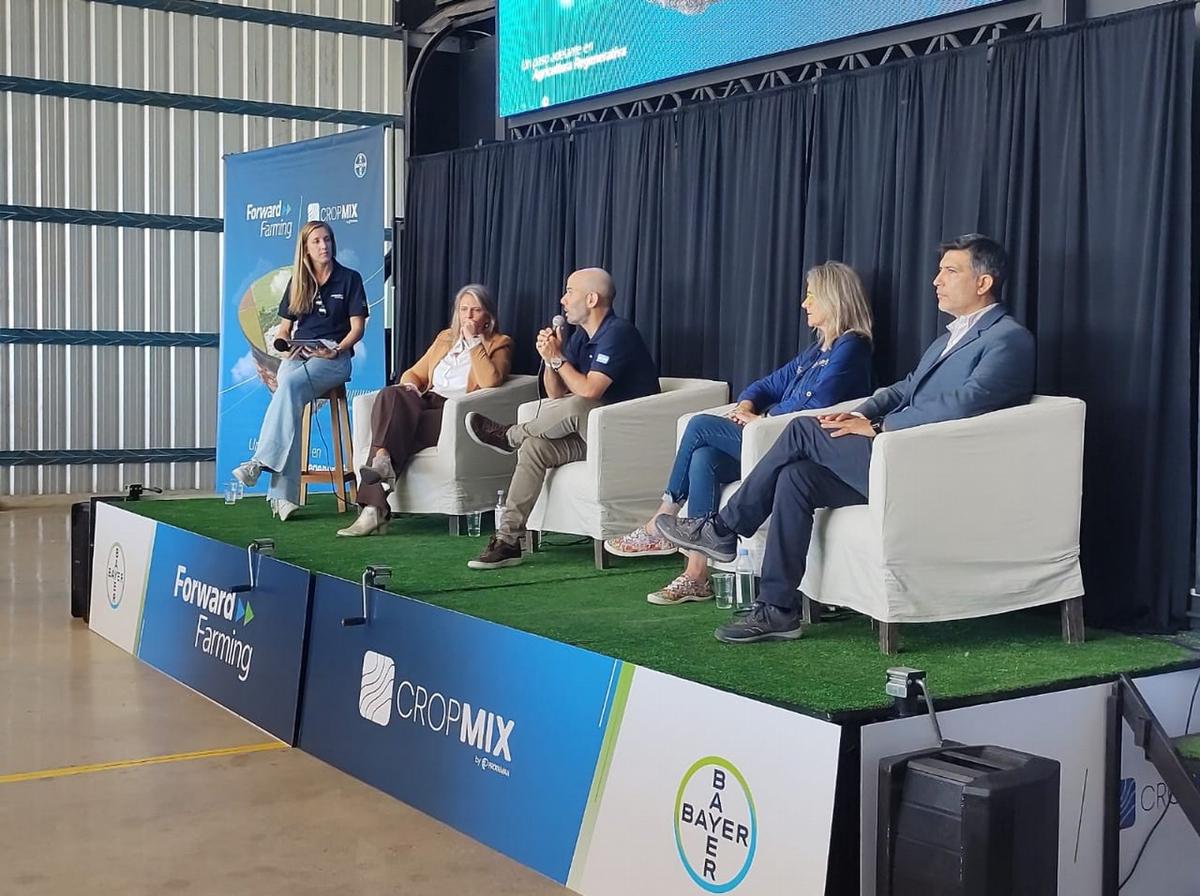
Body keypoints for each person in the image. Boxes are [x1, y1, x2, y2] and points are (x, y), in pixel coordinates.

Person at [656, 234, 1035, 643]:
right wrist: (859, 412)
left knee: (802, 428)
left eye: (950, 271)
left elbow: (968, 403)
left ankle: (725, 527)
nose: (936, 280)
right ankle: (778, 609)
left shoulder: (1008, 339)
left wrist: (878, 428)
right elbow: (904, 389)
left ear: (983, 283)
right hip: (896, 458)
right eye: (939, 270)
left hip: (927, 467)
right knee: (795, 477)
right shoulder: (948, 339)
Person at [605, 261, 874, 606]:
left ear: (834, 300)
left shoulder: (853, 346)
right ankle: (696, 574)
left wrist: (763, 419)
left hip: (798, 444)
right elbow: (766, 384)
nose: (804, 304)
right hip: (769, 435)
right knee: (705, 458)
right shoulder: (814, 351)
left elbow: (818, 402)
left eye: (811, 297)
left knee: (701, 425)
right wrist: (748, 406)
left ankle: (662, 521)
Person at [462, 267, 660, 569]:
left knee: (580, 405)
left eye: (570, 291)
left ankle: (511, 436)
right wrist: (550, 360)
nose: (563, 299)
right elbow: (556, 394)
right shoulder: (581, 337)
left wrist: (559, 358)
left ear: (591, 298)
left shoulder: (618, 333)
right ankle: (508, 540)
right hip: (591, 436)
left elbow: (591, 390)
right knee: (534, 448)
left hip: (624, 437)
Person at [337, 284, 513, 537]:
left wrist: (476, 344)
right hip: (425, 401)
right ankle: (382, 462)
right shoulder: (445, 339)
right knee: (391, 394)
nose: (469, 317)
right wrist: (411, 387)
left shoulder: (500, 343)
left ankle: (373, 510)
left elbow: (491, 381)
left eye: (476, 310)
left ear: (489, 316)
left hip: (455, 410)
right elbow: (415, 373)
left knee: (395, 428)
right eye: (464, 310)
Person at [232, 221, 367, 520]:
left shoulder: (349, 279)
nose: (324, 246)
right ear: (305, 248)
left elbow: (357, 328)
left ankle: (261, 463)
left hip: (335, 357)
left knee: (287, 387)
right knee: (288, 393)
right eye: (317, 241)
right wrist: (285, 344)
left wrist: (337, 348)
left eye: (327, 240)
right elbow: (284, 328)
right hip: (301, 353)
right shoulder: (299, 282)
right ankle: (283, 499)